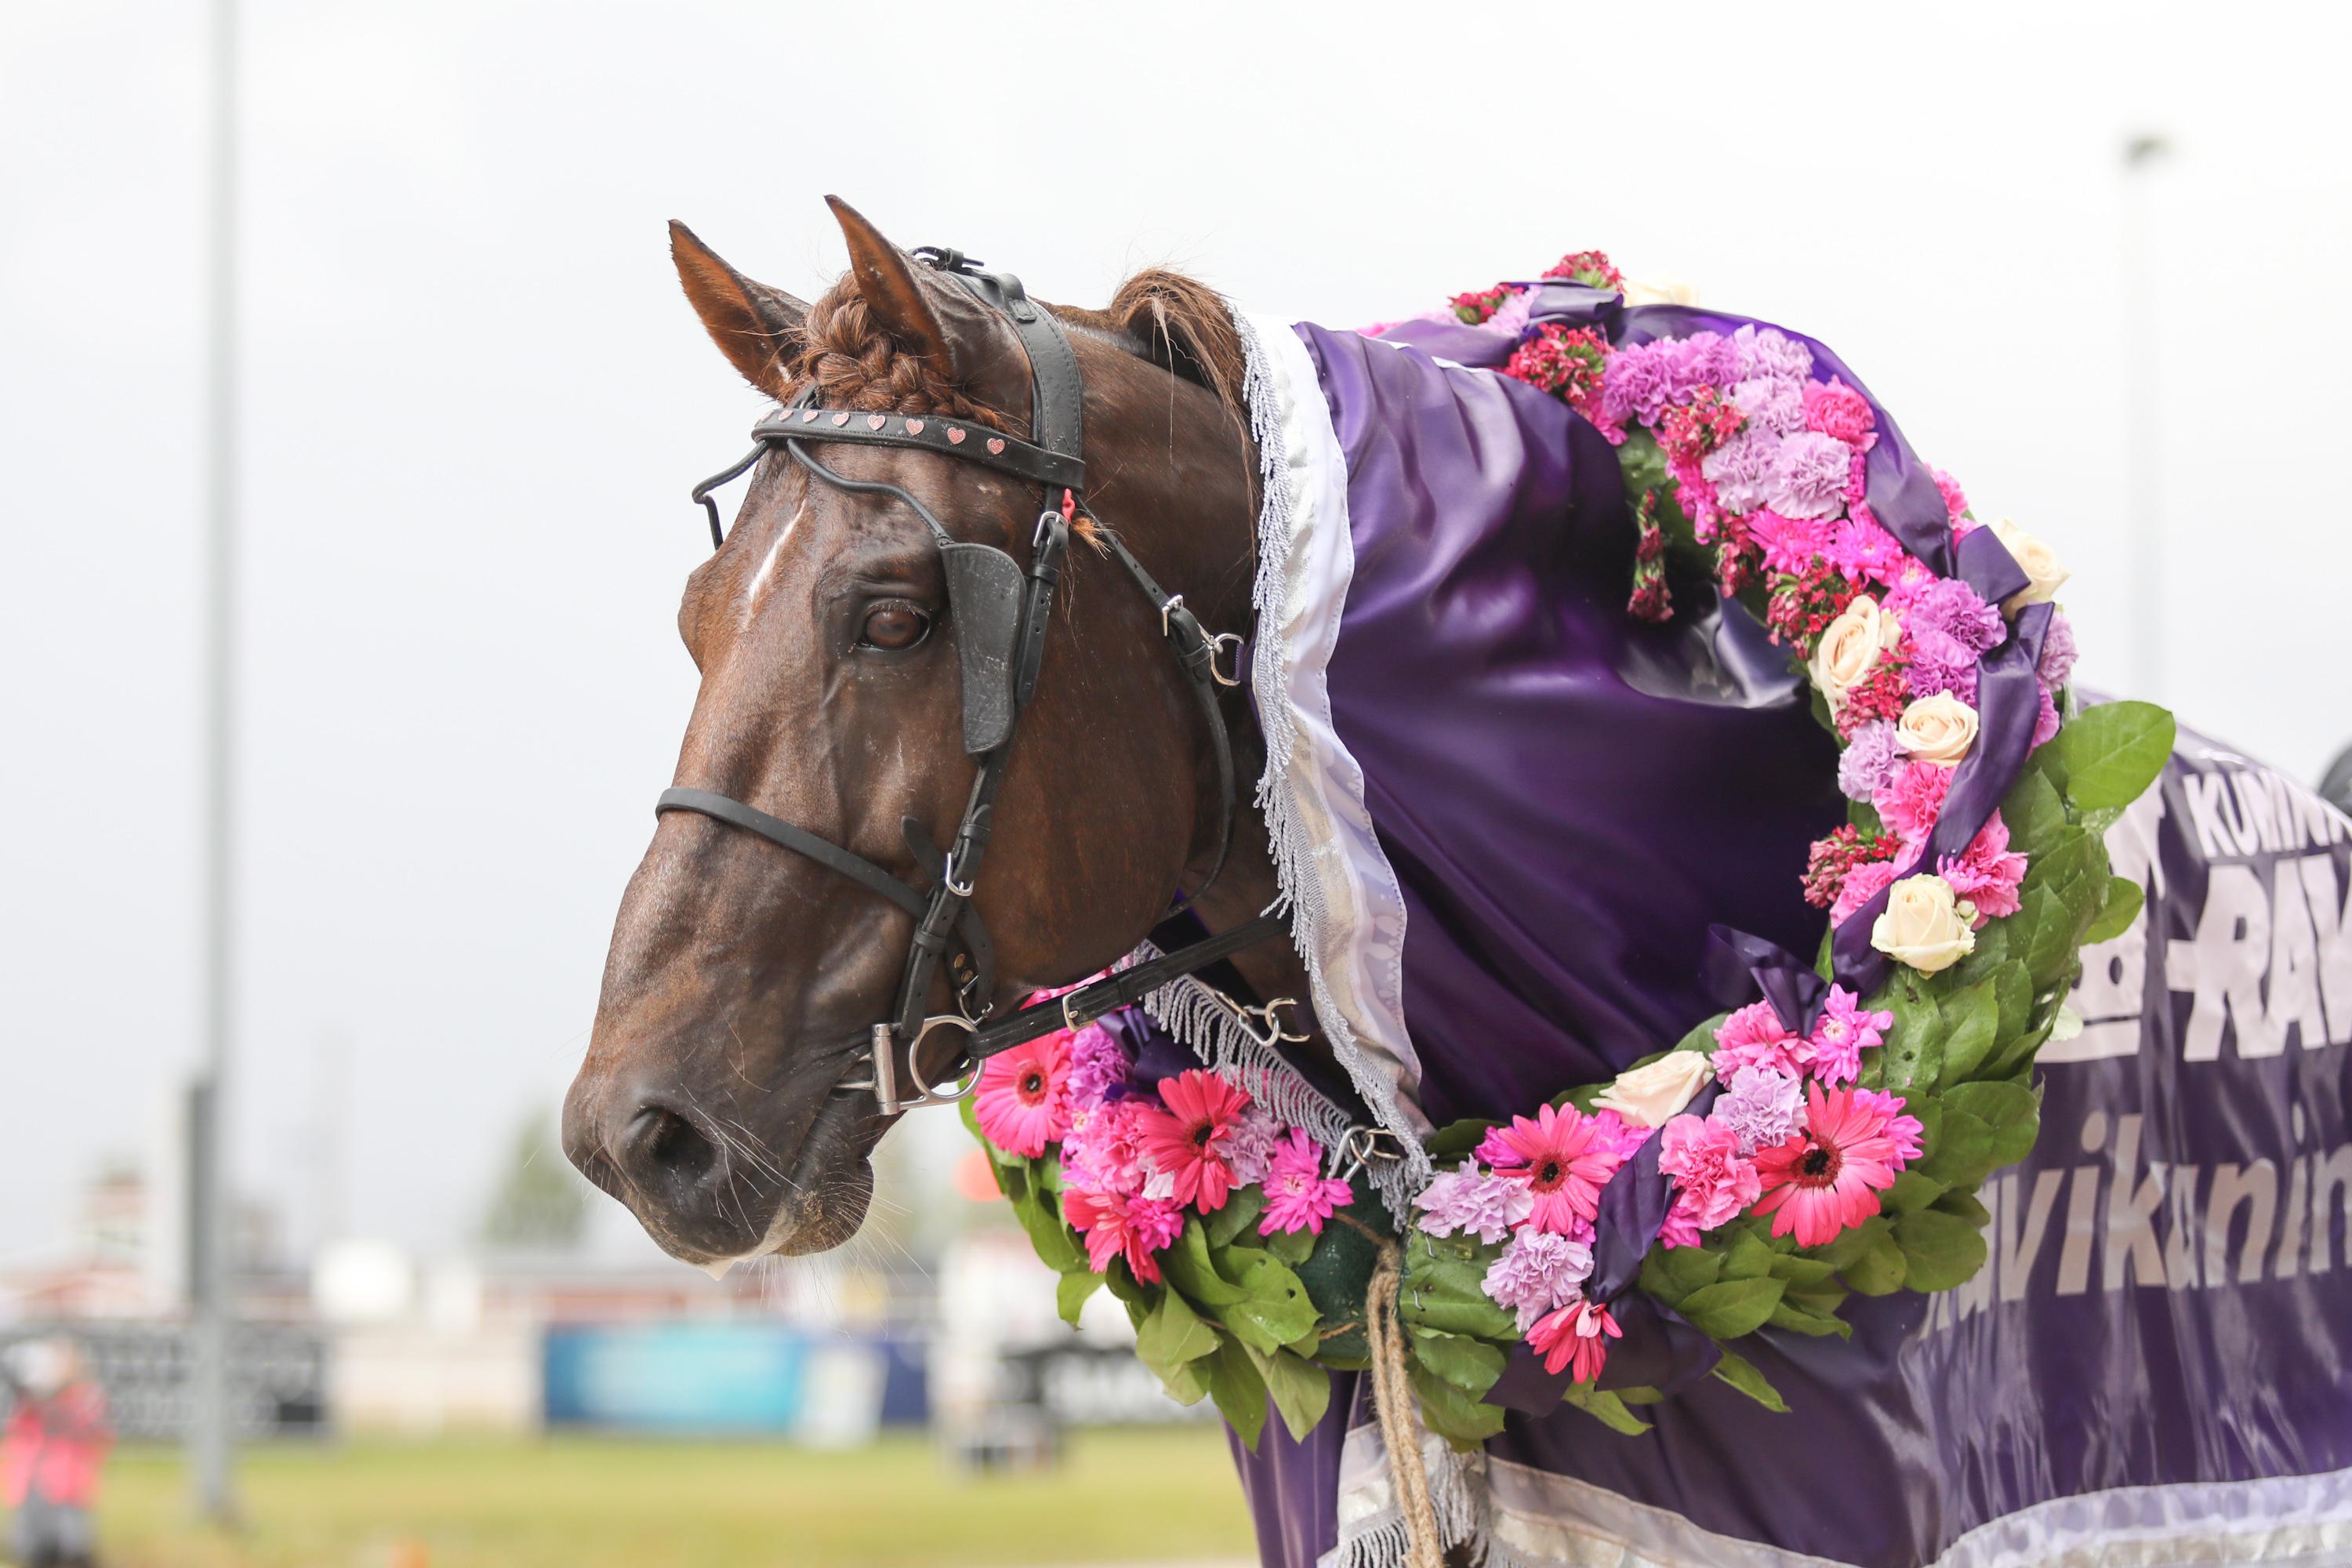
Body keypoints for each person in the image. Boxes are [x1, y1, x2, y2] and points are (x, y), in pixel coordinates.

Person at [1, 1339, 111, 1568]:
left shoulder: (86, 1395)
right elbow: (16, 1430)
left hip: (68, 1484)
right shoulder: (28, 1402)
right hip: (32, 1483)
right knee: (35, 1548)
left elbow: (93, 1432)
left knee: (74, 1546)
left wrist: (54, 1402)